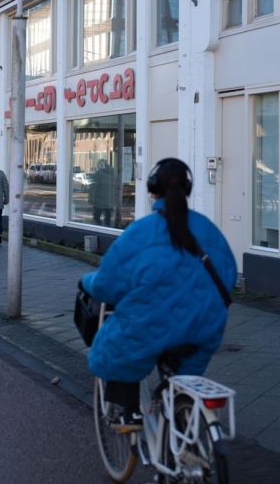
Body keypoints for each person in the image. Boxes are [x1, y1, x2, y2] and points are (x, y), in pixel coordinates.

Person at [79, 158, 237, 430]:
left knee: (114, 345)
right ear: (187, 189)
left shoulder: (141, 231)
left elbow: (108, 285)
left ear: (153, 190)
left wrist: (86, 281)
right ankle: (182, 422)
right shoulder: (208, 229)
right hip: (206, 327)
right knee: (183, 376)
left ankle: (129, 412)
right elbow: (229, 274)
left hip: (152, 327)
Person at [89, 159, 118, 227]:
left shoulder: (98, 174)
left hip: (99, 201)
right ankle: (107, 230)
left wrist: (91, 198)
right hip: (110, 201)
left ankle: (100, 230)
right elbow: (116, 187)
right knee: (107, 218)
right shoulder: (114, 173)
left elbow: (93, 187)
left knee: (96, 217)